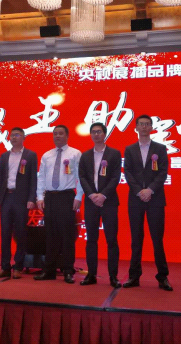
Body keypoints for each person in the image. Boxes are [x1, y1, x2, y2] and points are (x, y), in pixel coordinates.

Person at [122, 115, 172, 291]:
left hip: (155, 199)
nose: (144, 127)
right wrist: (139, 191)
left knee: (157, 239)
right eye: (141, 124)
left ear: (151, 127)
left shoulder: (160, 148)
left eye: (147, 124)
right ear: (136, 127)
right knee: (136, 239)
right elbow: (127, 172)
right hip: (135, 199)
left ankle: (162, 277)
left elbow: (163, 172)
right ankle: (134, 276)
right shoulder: (130, 149)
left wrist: (149, 190)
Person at [34, 125, 83, 284]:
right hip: (50, 198)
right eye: (55, 134)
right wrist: (40, 197)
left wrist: (79, 196)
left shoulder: (75, 153)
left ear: (67, 136)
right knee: (50, 235)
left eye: (61, 133)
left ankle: (68, 270)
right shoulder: (47, 155)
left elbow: (80, 177)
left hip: (67, 196)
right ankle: (49, 270)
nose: (57, 136)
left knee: (67, 235)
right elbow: (41, 178)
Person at [78, 122, 122, 288]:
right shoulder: (85, 155)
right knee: (91, 240)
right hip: (91, 202)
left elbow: (115, 177)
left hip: (109, 201)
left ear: (105, 134)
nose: (96, 134)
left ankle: (113, 276)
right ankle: (91, 275)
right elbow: (82, 177)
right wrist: (91, 195)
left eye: (99, 132)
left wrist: (103, 195)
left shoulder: (114, 154)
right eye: (93, 132)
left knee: (112, 240)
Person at [0, 127, 38, 279]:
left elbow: (33, 178)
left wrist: (31, 198)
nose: (14, 137)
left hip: (21, 198)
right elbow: (0, 179)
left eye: (17, 135)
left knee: (20, 233)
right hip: (6, 197)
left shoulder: (30, 155)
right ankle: (5, 267)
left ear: (23, 137)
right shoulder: (4, 156)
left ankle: (18, 266)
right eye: (11, 135)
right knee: (5, 233)